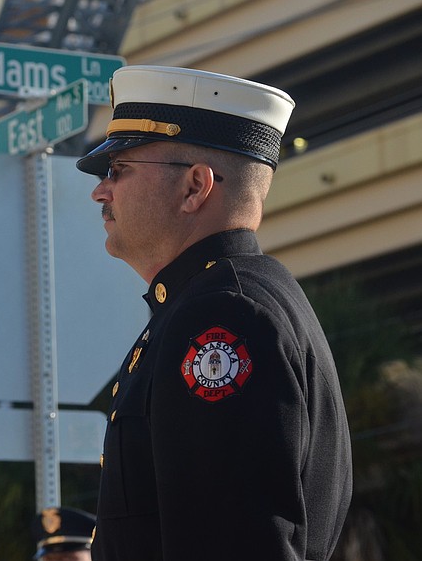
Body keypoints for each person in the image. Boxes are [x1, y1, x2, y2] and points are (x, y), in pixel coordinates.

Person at [75, 66, 352, 560]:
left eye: (120, 170)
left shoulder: (221, 317)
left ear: (195, 188)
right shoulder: (229, 300)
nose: (101, 191)